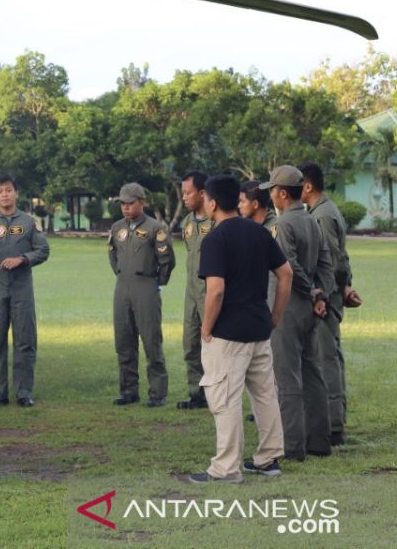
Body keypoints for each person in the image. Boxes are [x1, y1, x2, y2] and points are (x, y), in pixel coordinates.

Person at [187, 175, 293, 483]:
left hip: (228, 334)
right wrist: (275, 315)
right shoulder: (259, 233)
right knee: (264, 395)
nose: (204, 203)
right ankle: (268, 459)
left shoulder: (215, 240)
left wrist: (206, 329)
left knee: (225, 399)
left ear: (214, 203)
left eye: (206, 198)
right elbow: (285, 274)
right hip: (259, 328)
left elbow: (215, 291)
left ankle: (226, 468)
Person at [260, 165, 333, 460]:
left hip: (288, 304)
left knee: (286, 375)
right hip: (309, 308)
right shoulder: (312, 220)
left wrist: (312, 291)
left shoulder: (282, 224)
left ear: (280, 193)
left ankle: (291, 446)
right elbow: (326, 263)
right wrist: (321, 294)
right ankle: (319, 440)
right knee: (313, 373)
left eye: (272, 191)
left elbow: (287, 266)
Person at [0, 175, 49, 407]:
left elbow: (43, 250)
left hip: (21, 289)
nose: (4, 194)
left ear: (16, 193)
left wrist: (22, 259)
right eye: (0, 191)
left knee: (25, 340)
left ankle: (24, 392)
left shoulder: (28, 222)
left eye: (8, 190)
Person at [299, 162, 355, 446]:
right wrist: (346, 285)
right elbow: (342, 259)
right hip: (334, 291)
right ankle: (336, 419)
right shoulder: (326, 210)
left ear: (307, 187)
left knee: (325, 358)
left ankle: (333, 424)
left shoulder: (320, 216)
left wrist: (322, 294)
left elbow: (332, 261)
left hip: (326, 295)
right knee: (331, 355)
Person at [107, 183, 175, 406]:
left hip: (146, 285)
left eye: (130, 203)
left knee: (151, 340)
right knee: (124, 341)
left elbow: (167, 261)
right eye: (122, 204)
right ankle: (129, 390)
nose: (126, 208)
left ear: (142, 202)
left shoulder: (156, 228)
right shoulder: (117, 228)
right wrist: (121, 273)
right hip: (122, 286)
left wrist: (157, 283)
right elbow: (113, 255)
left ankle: (157, 392)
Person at [177, 170, 213, 410]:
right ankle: (196, 395)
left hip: (211, 293)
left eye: (188, 193)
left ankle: (216, 395)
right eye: (182, 193)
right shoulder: (187, 223)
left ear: (202, 193)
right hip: (191, 294)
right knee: (190, 345)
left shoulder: (217, 222)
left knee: (214, 347)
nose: (184, 198)